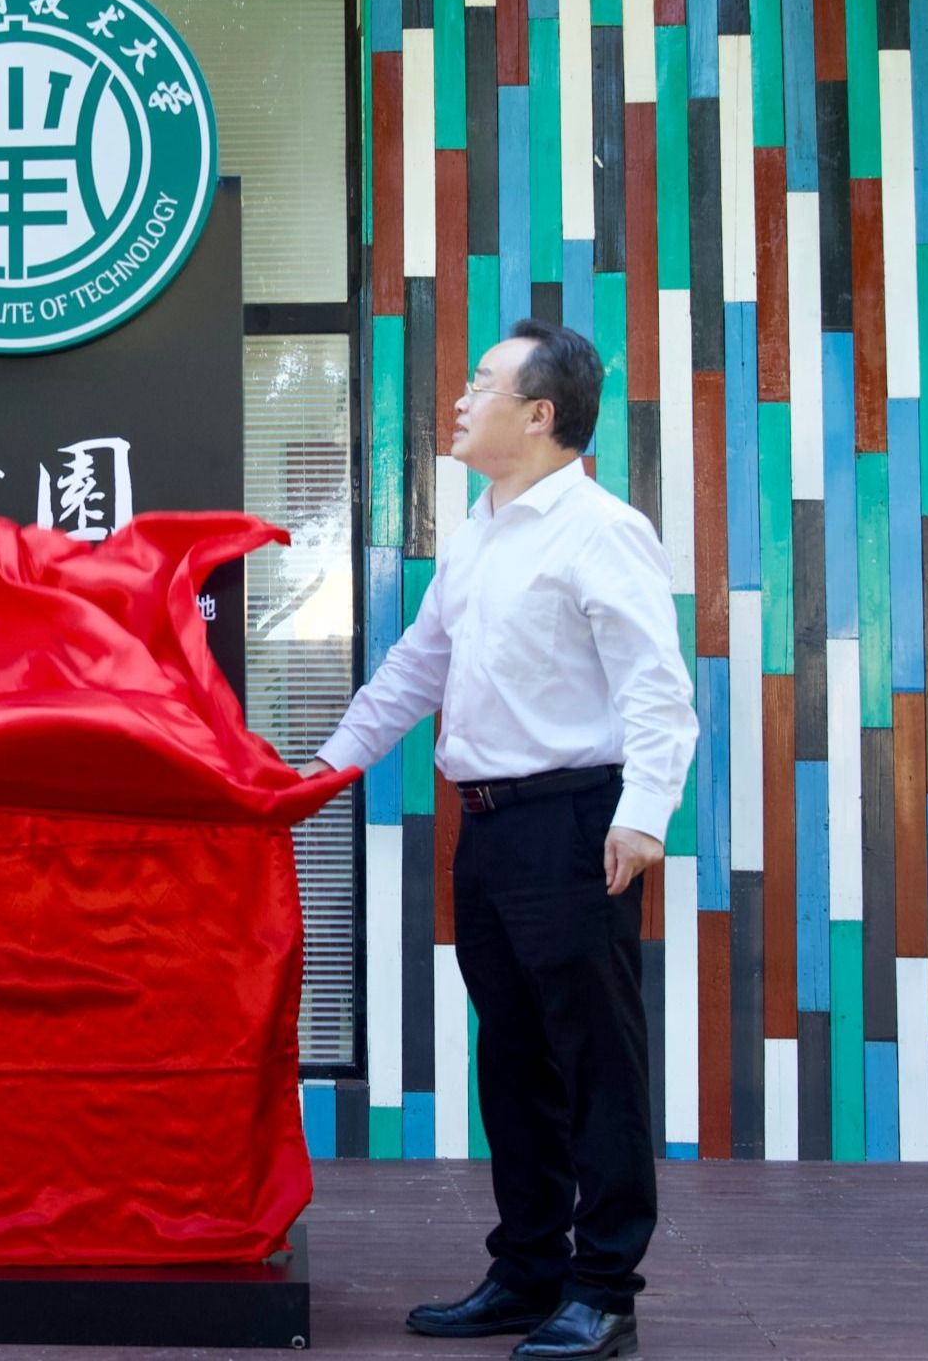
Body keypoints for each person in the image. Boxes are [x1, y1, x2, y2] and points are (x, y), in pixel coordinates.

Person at [299, 321, 696, 1361]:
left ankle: (603, 1288)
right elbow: (415, 667)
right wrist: (327, 769)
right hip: (484, 830)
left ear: (540, 414)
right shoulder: (476, 531)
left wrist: (643, 813)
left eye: (481, 384)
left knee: (594, 1061)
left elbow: (657, 687)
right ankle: (527, 1270)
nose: (461, 400)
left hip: (574, 826)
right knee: (513, 1059)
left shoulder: (601, 530)